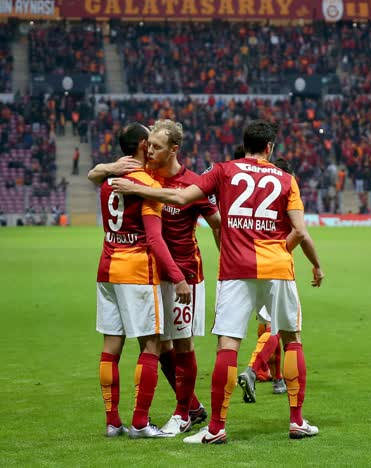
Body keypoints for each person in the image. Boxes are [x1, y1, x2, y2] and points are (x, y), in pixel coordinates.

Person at [110, 120, 324, 443]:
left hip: (235, 266)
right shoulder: (286, 179)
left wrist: (137, 189)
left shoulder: (223, 170)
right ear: (269, 148)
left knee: (228, 344)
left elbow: (181, 198)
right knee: (291, 339)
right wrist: (292, 256)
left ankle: (216, 428)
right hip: (278, 266)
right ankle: (296, 421)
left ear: (244, 144)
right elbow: (300, 231)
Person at [88, 119, 221, 435]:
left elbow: (217, 223)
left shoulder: (191, 183)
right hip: (148, 273)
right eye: (149, 145)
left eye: (157, 147)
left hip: (183, 273)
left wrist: (225, 260)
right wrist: (109, 167)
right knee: (157, 346)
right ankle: (188, 407)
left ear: (173, 149)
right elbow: (96, 175)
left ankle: (183, 412)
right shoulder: (143, 174)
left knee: (182, 345)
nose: (150, 151)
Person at [237, 157, 297, 401]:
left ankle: (276, 377)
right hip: (274, 267)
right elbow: (300, 232)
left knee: (267, 325)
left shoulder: (256, 192)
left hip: (248, 264)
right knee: (280, 327)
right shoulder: (285, 194)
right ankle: (253, 369)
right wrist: (316, 265)